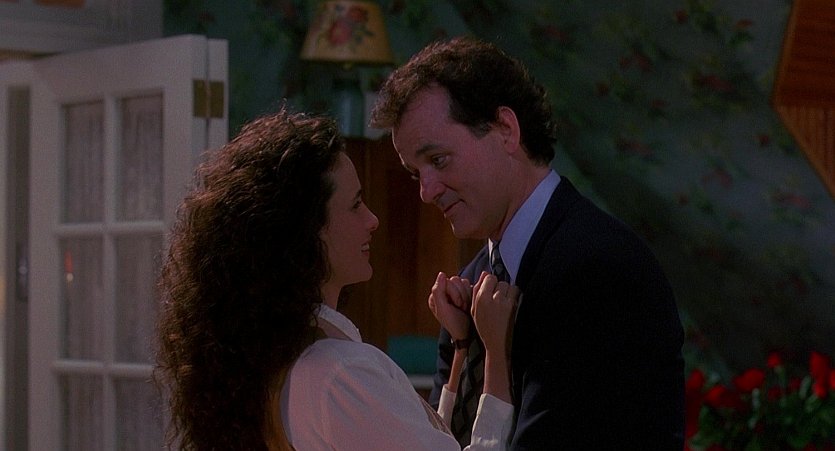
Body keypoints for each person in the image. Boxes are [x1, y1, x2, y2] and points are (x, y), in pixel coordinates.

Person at [370, 37, 685, 449]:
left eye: (439, 160)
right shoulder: (469, 285)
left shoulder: (596, 267)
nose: (426, 192)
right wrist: (464, 346)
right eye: (416, 173)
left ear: (506, 130)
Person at [154, 107, 519, 450]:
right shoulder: (340, 372)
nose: (372, 220)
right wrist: (496, 357)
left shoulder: (290, 355)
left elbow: (419, 439)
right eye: (355, 204)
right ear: (306, 232)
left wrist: (462, 346)